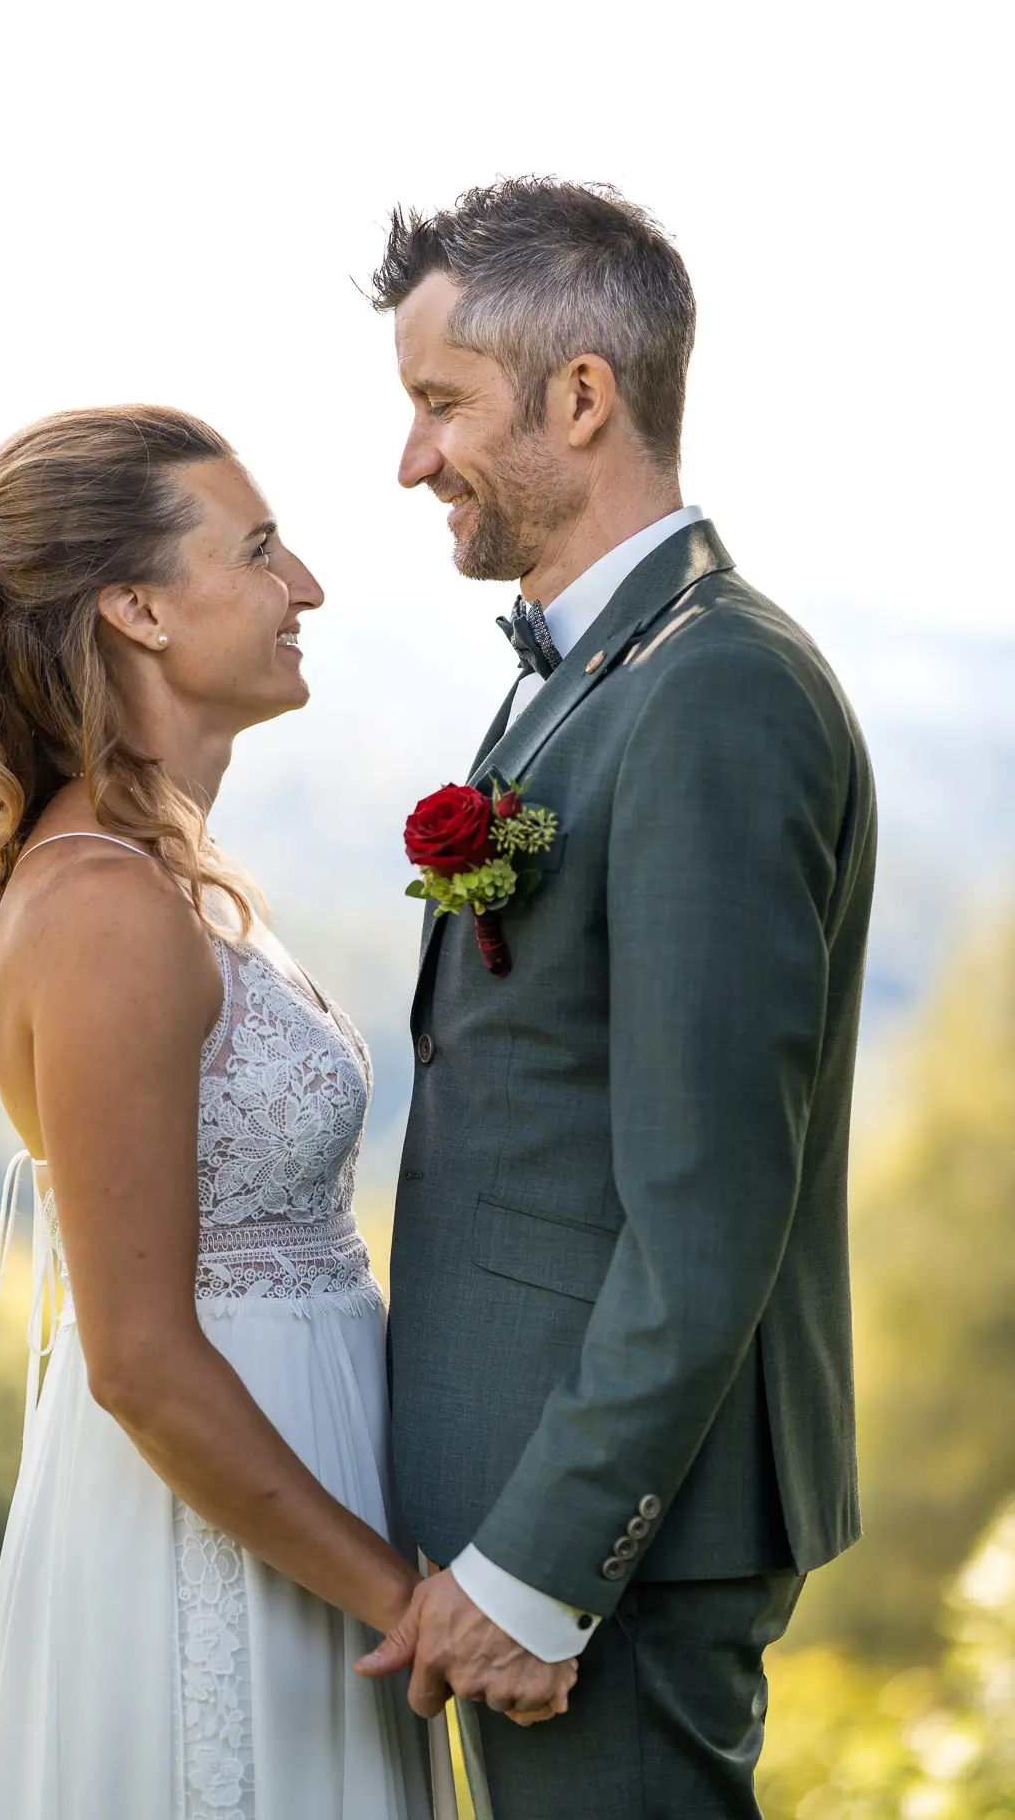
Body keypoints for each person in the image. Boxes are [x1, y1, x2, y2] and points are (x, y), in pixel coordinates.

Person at [0, 406, 494, 1818]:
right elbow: (140, 1359)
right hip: (224, 1550)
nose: (309, 589)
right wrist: (401, 1604)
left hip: (303, 1504)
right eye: (262, 550)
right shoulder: (102, 908)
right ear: (139, 607)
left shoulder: (169, 880)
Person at [355, 180, 878, 1819]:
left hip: (613, 1555)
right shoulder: (588, 676)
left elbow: (710, 1212)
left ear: (581, 399)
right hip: (531, 1509)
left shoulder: (713, 691)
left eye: (442, 404)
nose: (412, 458)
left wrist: (535, 1572)